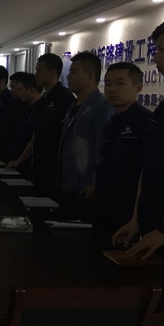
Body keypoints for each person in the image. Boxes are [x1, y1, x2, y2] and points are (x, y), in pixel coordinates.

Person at [113, 17, 164, 265]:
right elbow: (149, 164)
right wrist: (136, 220)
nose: (156, 58)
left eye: (162, 50)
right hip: (154, 229)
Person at [94, 62, 151, 237]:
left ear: (138, 88)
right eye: (108, 84)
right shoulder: (111, 121)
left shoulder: (147, 122)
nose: (112, 89)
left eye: (120, 83)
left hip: (130, 210)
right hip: (104, 204)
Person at [57, 51, 113, 221]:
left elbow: (103, 147)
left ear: (89, 75)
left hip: (85, 187)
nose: (68, 76)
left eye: (73, 72)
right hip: (67, 183)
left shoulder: (101, 106)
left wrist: (95, 183)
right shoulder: (73, 106)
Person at [9, 53, 75, 195]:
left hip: (55, 168)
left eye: (39, 71)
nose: (36, 74)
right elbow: (37, 134)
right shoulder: (44, 98)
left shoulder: (64, 97)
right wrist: (19, 160)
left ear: (52, 73)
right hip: (39, 165)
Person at [6, 73, 43, 177]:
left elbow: (33, 140)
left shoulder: (41, 109)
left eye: (21, 90)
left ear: (30, 90)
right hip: (20, 158)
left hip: (32, 163)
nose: (19, 93)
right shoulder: (25, 108)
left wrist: (19, 160)